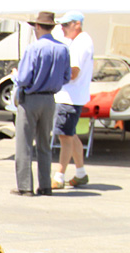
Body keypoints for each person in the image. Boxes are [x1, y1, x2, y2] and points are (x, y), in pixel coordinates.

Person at [11, 12, 70, 196]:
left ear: (37, 26)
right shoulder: (63, 49)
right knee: (45, 144)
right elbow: (67, 77)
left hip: (31, 98)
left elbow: (23, 78)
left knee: (24, 144)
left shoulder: (33, 48)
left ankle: (25, 186)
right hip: (49, 99)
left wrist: (14, 75)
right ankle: (45, 185)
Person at [52, 11, 93, 190]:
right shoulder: (83, 40)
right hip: (74, 96)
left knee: (65, 136)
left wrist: (54, 79)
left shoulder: (79, 43)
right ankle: (80, 173)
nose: (62, 28)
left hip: (69, 97)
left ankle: (59, 176)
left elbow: (73, 73)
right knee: (70, 133)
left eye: (66, 24)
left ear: (77, 24)